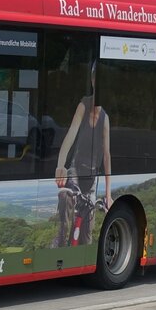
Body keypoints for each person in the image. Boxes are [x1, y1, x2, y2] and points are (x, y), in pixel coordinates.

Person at [54, 62, 112, 246]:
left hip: (92, 176)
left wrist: (109, 194)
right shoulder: (83, 105)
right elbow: (70, 136)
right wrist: (60, 165)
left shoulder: (105, 119)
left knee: (87, 234)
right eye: (97, 79)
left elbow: (106, 156)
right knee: (66, 198)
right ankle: (60, 245)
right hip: (76, 170)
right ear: (92, 80)